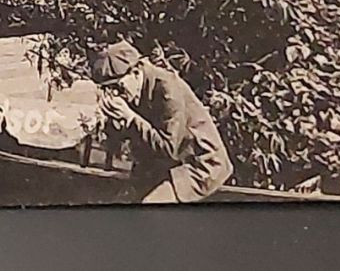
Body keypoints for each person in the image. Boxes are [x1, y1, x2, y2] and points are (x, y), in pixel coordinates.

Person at [90, 42, 233, 203]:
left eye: (118, 86)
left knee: (151, 207)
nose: (115, 94)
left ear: (136, 72)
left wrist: (130, 119)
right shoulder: (134, 87)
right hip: (161, 165)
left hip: (199, 163)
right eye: (108, 89)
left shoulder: (167, 90)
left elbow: (169, 148)